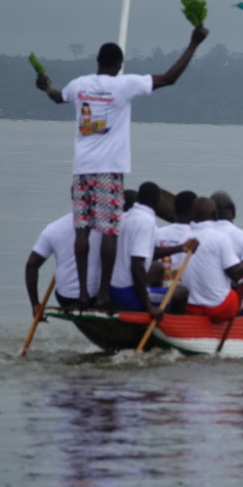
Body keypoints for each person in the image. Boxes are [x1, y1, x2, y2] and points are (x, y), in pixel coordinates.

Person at [34, 26, 209, 308]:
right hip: (108, 170)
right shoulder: (123, 84)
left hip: (81, 169)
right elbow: (169, 78)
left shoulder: (79, 85)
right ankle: (103, 293)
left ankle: (81, 293)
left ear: (98, 62)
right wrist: (193, 44)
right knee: (109, 231)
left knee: (82, 231)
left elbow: (57, 97)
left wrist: (46, 87)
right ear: (117, 65)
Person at [108, 182, 188, 312]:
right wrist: (148, 306)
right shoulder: (146, 221)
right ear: (157, 200)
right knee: (181, 293)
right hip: (128, 294)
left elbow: (150, 253)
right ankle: (168, 326)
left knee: (157, 267)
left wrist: (180, 248)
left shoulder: (126, 216)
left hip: (114, 288)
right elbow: (137, 265)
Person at [180, 197, 243, 322]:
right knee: (241, 292)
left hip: (191, 308)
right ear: (215, 215)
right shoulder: (220, 238)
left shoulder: (183, 238)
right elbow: (235, 274)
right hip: (218, 309)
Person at [26, 213, 104, 312]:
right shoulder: (106, 225)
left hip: (65, 298)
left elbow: (31, 265)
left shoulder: (53, 228)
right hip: (96, 298)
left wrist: (35, 304)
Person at [155, 190, 197, 285]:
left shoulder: (159, 232)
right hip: (187, 289)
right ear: (194, 210)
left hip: (162, 286)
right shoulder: (197, 236)